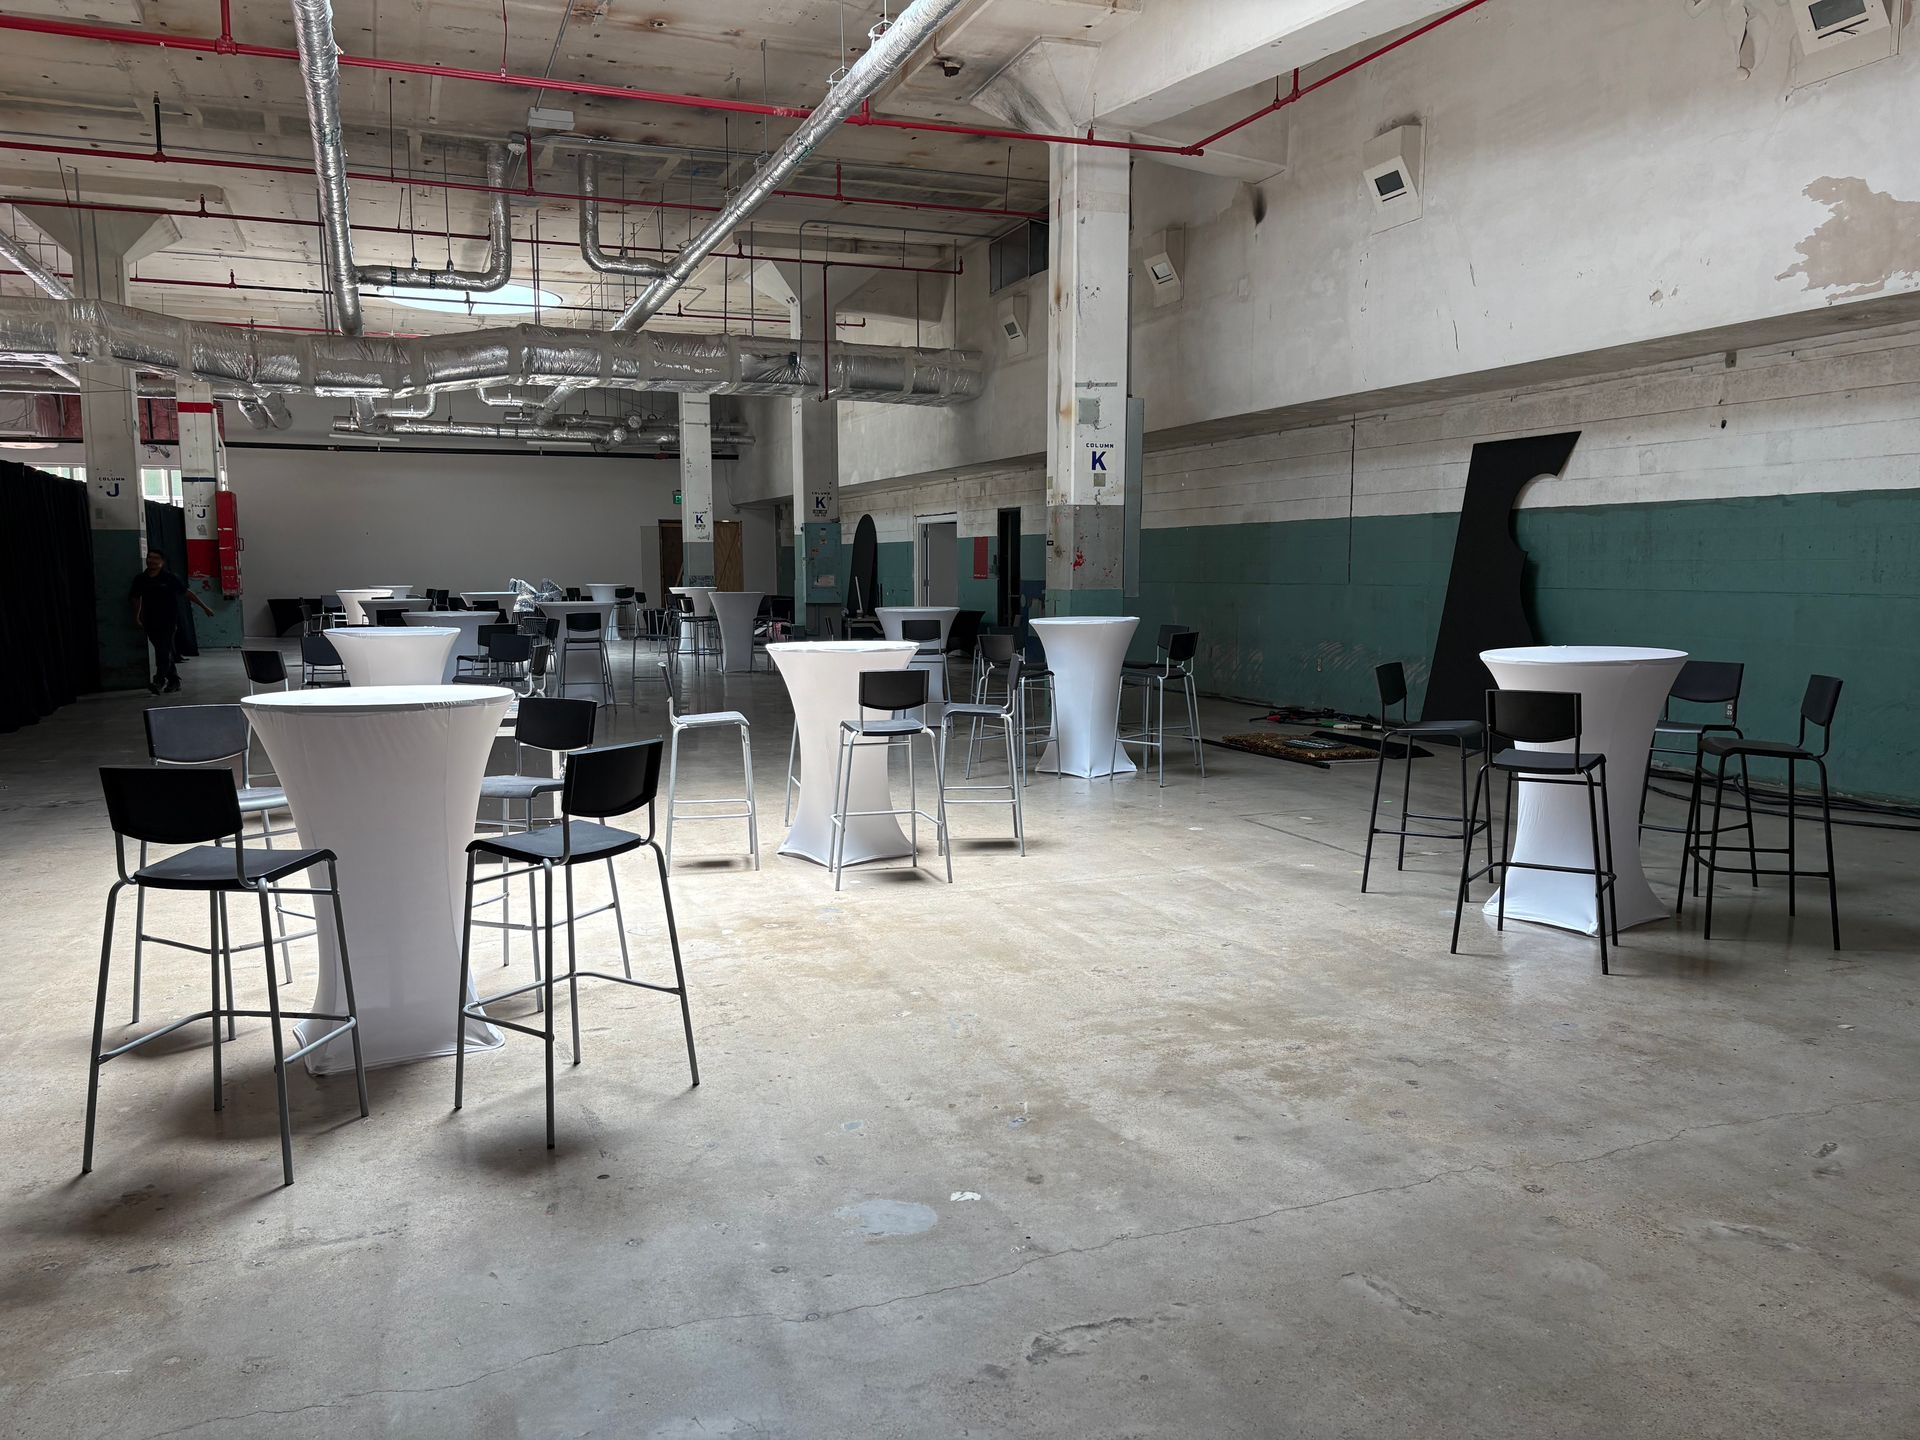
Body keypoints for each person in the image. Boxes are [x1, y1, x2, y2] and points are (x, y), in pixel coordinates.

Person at [130, 549, 213, 695]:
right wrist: (136, 616)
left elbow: (187, 593)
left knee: (163, 650)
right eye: (149, 557)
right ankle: (174, 681)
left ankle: (159, 680)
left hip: (168, 620)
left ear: (162, 562)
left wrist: (204, 607)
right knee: (162, 650)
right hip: (149, 620)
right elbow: (136, 598)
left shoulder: (170, 578)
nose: (151, 560)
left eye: (156, 558)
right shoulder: (140, 579)